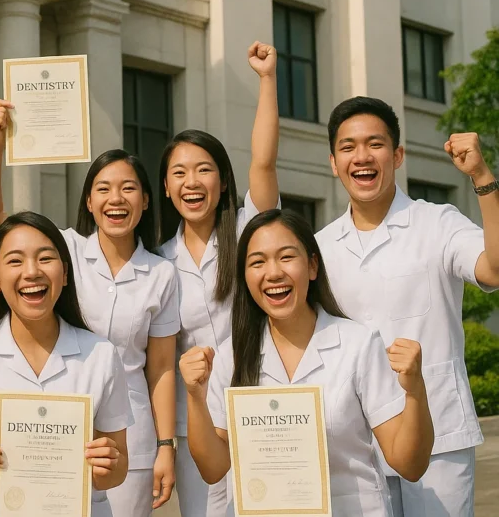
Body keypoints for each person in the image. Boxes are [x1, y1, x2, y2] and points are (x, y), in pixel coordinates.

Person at [0, 109, 180, 516]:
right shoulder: (62, 250)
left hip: (125, 439)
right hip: (51, 420)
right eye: (103, 189)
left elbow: (160, 368)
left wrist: (165, 446)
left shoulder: (162, 274)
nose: (116, 199)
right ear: (89, 201)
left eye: (128, 189)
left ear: (144, 201)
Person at [181, 209, 434, 516]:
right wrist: (195, 395)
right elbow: (213, 469)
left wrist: (415, 392)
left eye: (286, 257)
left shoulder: (357, 344)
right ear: (245, 276)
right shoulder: (231, 355)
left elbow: (409, 464)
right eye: (257, 262)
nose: (273, 273)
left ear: (312, 265)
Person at [314, 96, 499, 516]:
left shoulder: (438, 222)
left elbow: (494, 270)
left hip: (440, 440)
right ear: (333, 162)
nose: (361, 156)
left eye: (375, 144)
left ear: (397, 155)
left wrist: (483, 178)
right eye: (348, 147)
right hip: (358, 443)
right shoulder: (321, 248)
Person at [0, 211, 133, 517]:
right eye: (15, 261)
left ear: (64, 274)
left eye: (45, 258)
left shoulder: (101, 355)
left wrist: (108, 465)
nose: (31, 272)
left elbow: (118, 467)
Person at [155, 41, 281, 516]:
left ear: (223, 181)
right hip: (200, 423)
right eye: (179, 173)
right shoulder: (157, 264)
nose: (192, 182)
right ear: (165, 188)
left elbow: (264, 163)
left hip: (263, 406)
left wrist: (267, 80)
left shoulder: (251, 231)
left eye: (204, 170)